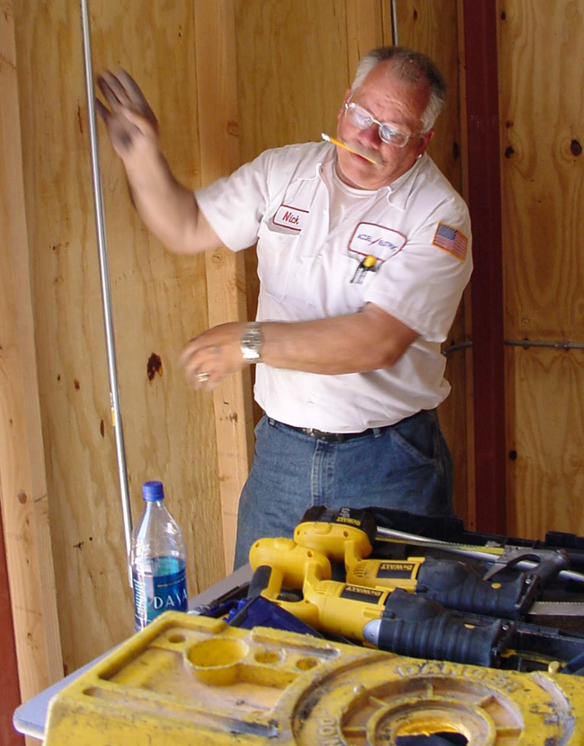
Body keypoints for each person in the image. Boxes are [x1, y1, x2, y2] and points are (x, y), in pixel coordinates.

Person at [97, 47, 472, 568]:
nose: (366, 137)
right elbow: (185, 226)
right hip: (282, 455)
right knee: (259, 625)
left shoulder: (438, 215)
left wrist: (249, 341)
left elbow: (379, 340)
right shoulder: (284, 172)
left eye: (393, 131)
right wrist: (140, 155)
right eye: (362, 114)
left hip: (389, 462)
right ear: (344, 103)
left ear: (422, 143)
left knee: (394, 634)